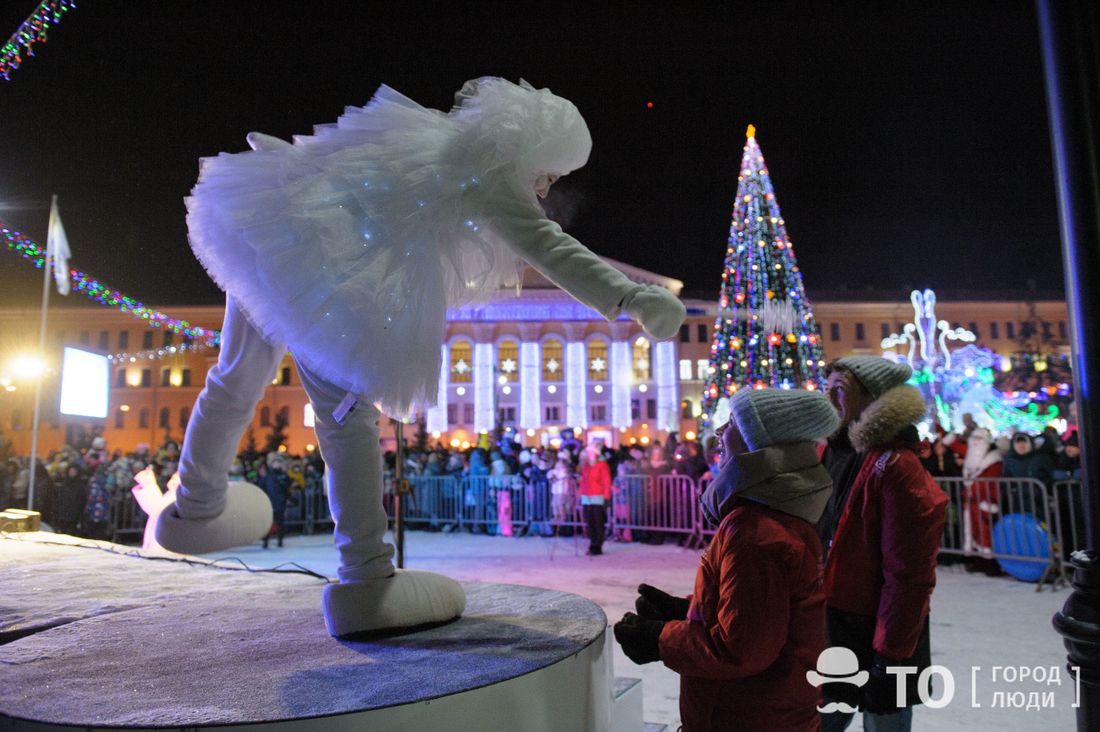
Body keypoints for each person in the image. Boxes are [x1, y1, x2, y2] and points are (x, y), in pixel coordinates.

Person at [150, 76, 686, 636]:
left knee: (236, 376)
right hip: (330, 273)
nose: (548, 186)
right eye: (550, 172)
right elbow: (550, 246)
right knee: (347, 416)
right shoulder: (491, 174)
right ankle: (366, 576)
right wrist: (632, 297)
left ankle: (196, 507)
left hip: (272, 220)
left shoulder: (429, 135)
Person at [613, 388, 840, 732]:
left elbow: (741, 649)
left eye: (733, 422)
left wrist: (659, 638)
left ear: (758, 444)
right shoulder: (771, 515)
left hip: (747, 717)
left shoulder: (756, 531)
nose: (720, 431)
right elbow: (756, 612)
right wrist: (685, 611)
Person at [818, 356, 948, 732]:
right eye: (826, 389)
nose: (829, 399)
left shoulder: (896, 466)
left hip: (885, 631)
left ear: (872, 397)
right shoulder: (830, 452)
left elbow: (909, 575)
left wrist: (890, 656)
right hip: (835, 622)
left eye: (840, 390)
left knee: (884, 720)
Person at [579, 448, 612, 555]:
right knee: (589, 522)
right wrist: (581, 493)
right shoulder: (585, 466)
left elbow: (606, 480)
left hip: (598, 496)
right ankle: (592, 542)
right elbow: (583, 481)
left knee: (598, 522)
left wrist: (606, 496)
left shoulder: (602, 465)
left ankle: (597, 545)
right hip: (586, 497)